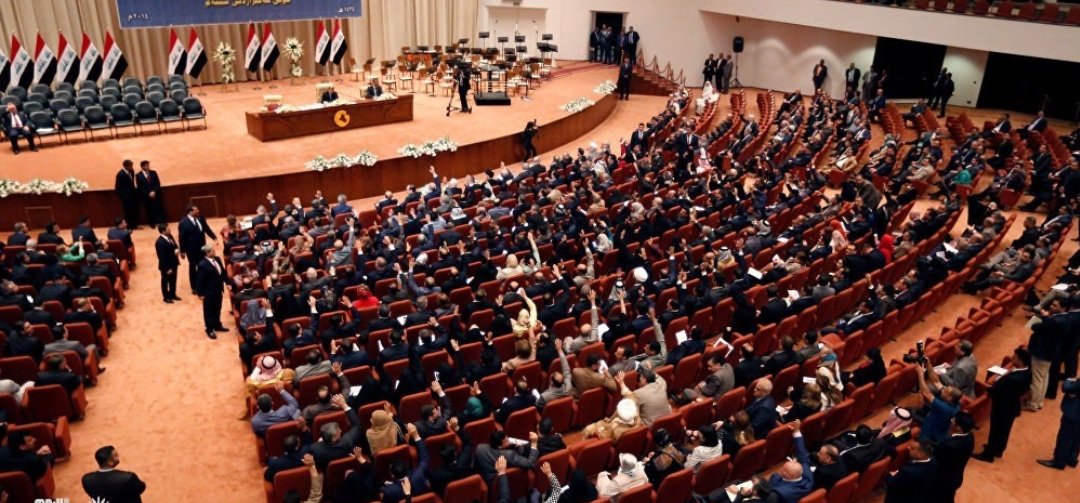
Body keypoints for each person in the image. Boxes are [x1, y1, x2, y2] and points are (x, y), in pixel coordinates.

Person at [973, 347, 1032, 462]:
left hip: (1003, 407)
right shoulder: (1027, 372)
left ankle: (988, 455)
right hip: (1012, 406)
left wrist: (988, 389)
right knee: (1004, 430)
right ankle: (998, 450)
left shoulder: (1013, 378)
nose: (1012, 359)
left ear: (1020, 361)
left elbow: (999, 392)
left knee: (996, 430)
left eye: (1014, 357)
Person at [914, 359, 962, 444]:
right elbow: (936, 381)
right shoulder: (953, 402)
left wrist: (920, 374)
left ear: (949, 398)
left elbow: (926, 393)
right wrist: (928, 364)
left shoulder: (945, 408)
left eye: (945, 391)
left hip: (930, 436)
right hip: (932, 419)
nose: (943, 390)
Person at [1037, 377, 1080, 469]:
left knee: (1065, 437)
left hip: (1074, 413)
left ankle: (1059, 461)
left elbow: (1066, 387)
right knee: (1077, 437)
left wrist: (1069, 381)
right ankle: (1072, 459)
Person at [81, 445, 146, 503]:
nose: (118, 456)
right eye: (116, 455)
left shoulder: (86, 479)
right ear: (110, 462)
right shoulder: (128, 478)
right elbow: (141, 488)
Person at [935, 412, 975, 503]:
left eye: (954, 420)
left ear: (958, 427)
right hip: (956, 478)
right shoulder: (970, 437)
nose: (951, 421)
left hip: (943, 482)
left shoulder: (949, 445)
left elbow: (936, 460)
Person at [178, 204, 217, 295]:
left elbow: (206, 228)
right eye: (195, 210)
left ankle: (204, 283)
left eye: (197, 209)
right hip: (191, 250)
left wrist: (214, 237)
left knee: (203, 265)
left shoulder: (200, 218)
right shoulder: (183, 223)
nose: (198, 211)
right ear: (190, 212)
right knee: (193, 267)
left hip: (202, 248)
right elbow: (182, 238)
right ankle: (194, 287)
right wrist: (182, 251)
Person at [195, 244, 229, 339]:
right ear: (207, 253)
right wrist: (200, 294)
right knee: (209, 311)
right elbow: (200, 280)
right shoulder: (202, 265)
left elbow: (222, 272)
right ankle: (210, 329)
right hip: (208, 293)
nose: (214, 251)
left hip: (218, 290)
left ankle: (217, 325)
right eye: (212, 251)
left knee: (218, 308)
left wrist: (228, 283)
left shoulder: (217, 259)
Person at [155, 224, 181, 304]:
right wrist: (167, 268)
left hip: (174, 263)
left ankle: (173, 294)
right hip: (166, 266)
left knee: (173, 280)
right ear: (163, 231)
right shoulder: (159, 242)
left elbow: (175, 245)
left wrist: (176, 249)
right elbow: (162, 257)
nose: (170, 230)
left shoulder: (170, 236)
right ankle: (166, 297)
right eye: (168, 229)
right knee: (165, 281)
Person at [136, 160, 165, 226]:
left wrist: (154, 191)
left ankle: (161, 222)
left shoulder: (153, 172)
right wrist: (148, 193)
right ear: (142, 166)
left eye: (148, 165)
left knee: (159, 208)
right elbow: (140, 187)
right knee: (149, 210)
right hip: (146, 196)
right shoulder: (138, 175)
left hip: (155, 194)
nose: (148, 167)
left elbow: (158, 183)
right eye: (147, 166)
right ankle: (152, 223)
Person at [115, 159, 140, 230]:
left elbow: (132, 182)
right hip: (126, 198)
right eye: (131, 166)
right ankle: (129, 226)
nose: (132, 167)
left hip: (133, 196)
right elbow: (118, 188)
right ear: (126, 166)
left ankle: (135, 225)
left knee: (134, 210)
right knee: (128, 212)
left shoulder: (131, 171)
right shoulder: (120, 175)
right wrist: (123, 198)